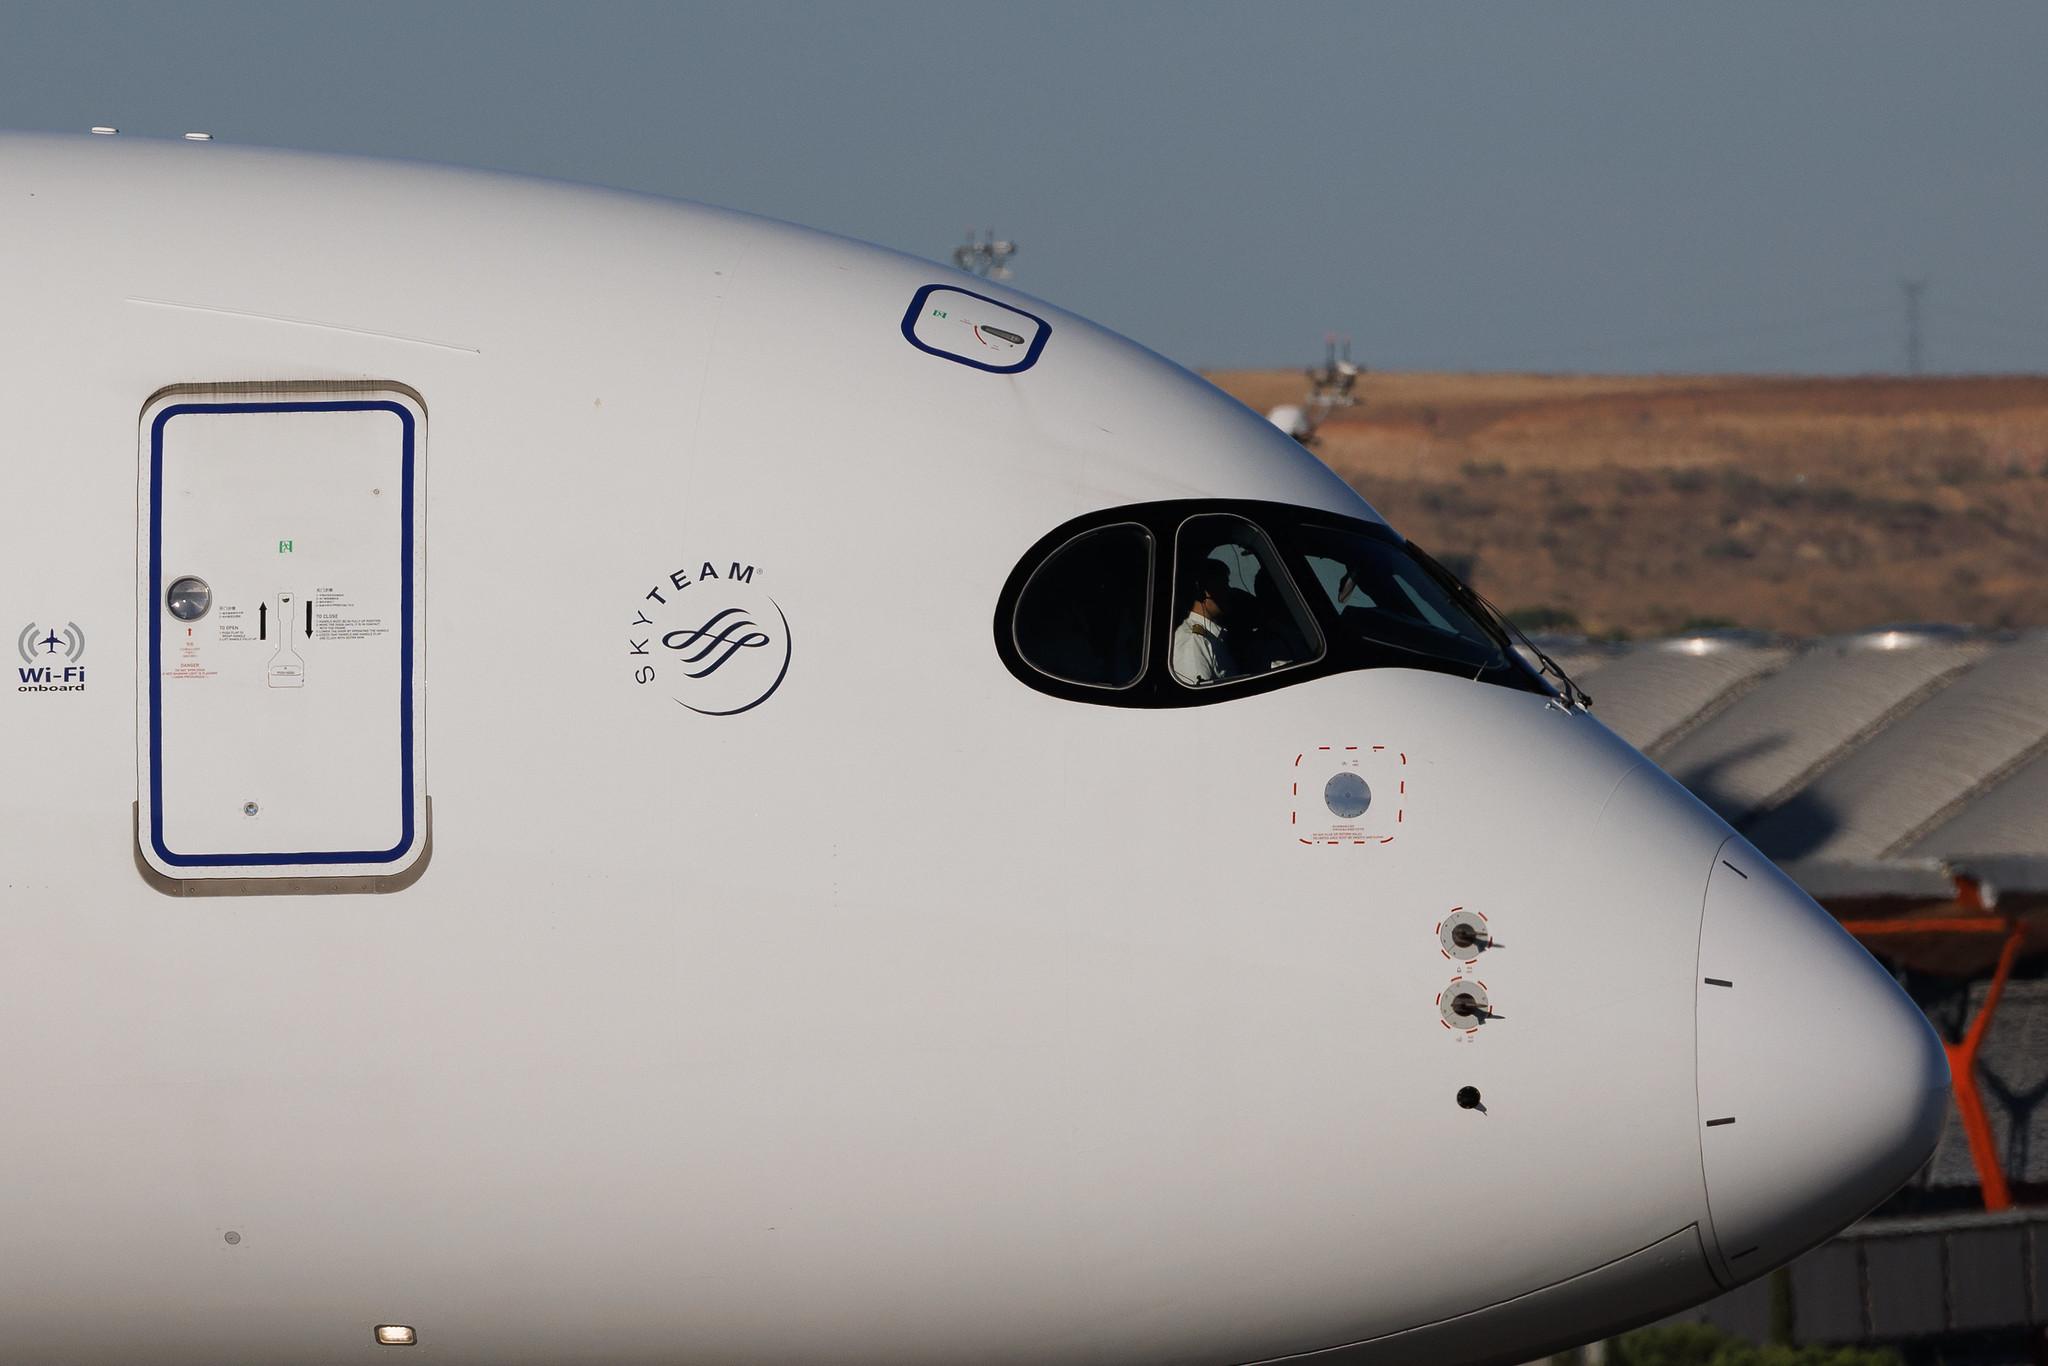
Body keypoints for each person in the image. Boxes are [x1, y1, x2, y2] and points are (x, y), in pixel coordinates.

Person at [1172, 559, 1240, 685]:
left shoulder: (1212, 636)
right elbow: (1198, 693)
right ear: (1201, 593)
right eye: (1222, 586)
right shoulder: (1193, 640)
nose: (1228, 592)